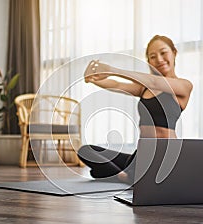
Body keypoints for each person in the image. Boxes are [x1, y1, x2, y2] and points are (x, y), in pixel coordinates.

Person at [77, 35, 193, 184]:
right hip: (141, 154)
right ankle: (125, 176)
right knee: (86, 151)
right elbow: (117, 85)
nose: (159, 59)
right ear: (149, 62)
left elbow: (155, 81)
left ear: (174, 53)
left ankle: (125, 175)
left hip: (164, 155)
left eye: (163, 53)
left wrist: (112, 70)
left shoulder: (184, 85)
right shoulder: (144, 88)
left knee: (98, 172)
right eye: (152, 56)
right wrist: (92, 78)